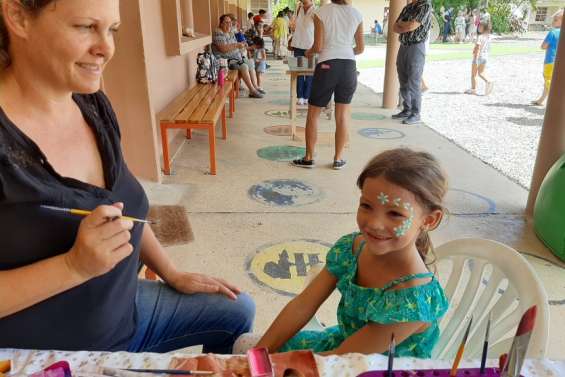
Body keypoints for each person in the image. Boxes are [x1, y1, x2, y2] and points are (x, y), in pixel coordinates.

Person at [0, 0, 255, 352]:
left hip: (127, 315)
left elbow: (125, 205)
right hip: (57, 356)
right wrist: (73, 267)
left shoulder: (91, 104)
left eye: (112, 30)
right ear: (17, 17)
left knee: (236, 309)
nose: (106, 48)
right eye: (86, 27)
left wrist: (172, 273)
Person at [255, 148, 449, 356]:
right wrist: (255, 356)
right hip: (342, 349)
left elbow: (342, 362)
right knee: (251, 349)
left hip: (369, 367)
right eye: (366, 205)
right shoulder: (352, 249)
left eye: (395, 213)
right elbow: (302, 306)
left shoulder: (414, 299)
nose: (374, 224)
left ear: (429, 220)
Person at [291, 0, 364, 171]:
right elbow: (360, 48)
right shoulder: (357, 14)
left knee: (313, 114)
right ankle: (338, 159)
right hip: (348, 67)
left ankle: (309, 158)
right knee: (343, 115)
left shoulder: (322, 12)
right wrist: (343, 52)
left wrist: (308, 53)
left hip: (327, 66)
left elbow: (318, 46)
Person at [391, 0, 433, 125]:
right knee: (403, 78)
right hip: (403, 45)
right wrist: (405, 25)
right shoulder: (408, 7)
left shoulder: (425, 6)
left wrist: (402, 24)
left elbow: (412, 26)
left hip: (416, 46)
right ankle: (407, 109)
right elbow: (394, 27)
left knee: (414, 81)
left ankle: (416, 113)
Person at [212, 14, 265, 98]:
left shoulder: (230, 32)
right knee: (244, 66)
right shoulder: (218, 33)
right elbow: (223, 49)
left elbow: (236, 44)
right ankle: (252, 90)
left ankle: (255, 86)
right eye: (226, 22)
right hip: (225, 61)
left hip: (236, 58)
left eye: (230, 22)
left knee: (250, 62)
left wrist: (242, 46)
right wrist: (237, 45)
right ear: (221, 23)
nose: (229, 24)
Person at [531, 10, 563, 106]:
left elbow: (543, 46)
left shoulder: (553, 32)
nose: (553, 21)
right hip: (559, 62)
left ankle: (556, 101)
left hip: (550, 61)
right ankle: (541, 100)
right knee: (548, 81)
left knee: (548, 80)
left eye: (556, 20)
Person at [291, 0, 316, 106]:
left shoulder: (316, 10)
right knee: (299, 73)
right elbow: (293, 25)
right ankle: (300, 96)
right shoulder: (298, 9)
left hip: (310, 45)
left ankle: (307, 96)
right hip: (298, 45)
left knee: (310, 73)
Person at [464, 22, 493, 96]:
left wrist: (475, 58)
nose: (479, 27)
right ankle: (488, 81)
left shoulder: (480, 37)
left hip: (478, 57)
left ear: (485, 28)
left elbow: (478, 48)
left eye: (481, 26)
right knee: (481, 73)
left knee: (473, 75)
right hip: (485, 57)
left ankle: (474, 89)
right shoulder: (489, 37)